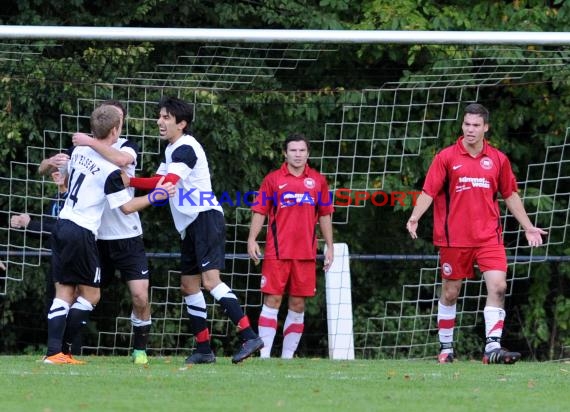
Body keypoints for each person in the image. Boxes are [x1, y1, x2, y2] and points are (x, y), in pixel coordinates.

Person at [124, 96, 264, 365]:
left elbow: (168, 182)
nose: (159, 121)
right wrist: (131, 181)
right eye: (160, 116)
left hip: (205, 218)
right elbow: (158, 182)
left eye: (166, 117)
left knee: (210, 281)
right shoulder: (172, 149)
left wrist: (128, 180)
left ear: (182, 123)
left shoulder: (186, 148)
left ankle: (249, 335)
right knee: (189, 286)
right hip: (190, 223)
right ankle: (203, 349)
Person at [405, 103, 547, 365]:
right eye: (466, 124)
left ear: (485, 128)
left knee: (499, 286)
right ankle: (446, 348)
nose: (470, 130)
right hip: (453, 239)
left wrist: (528, 225)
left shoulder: (498, 159)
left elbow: (510, 195)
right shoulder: (446, 157)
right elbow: (428, 192)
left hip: (489, 237)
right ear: (462, 126)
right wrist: (415, 217)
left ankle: (492, 347)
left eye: (476, 125)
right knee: (450, 292)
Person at [43, 104, 174, 364]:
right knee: (90, 295)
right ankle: (60, 351)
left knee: (65, 293)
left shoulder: (82, 148)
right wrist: (157, 196)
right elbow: (125, 206)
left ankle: (55, 352)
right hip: (83, 232)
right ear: (115, 128)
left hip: (64, 224)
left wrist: (80, 150)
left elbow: (118, 159)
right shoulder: (109, 170)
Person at [69, 100, 153, 365]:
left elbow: (123, 160)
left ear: (119, 125)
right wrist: (52, 164)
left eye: (114, 117)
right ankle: (64, 347)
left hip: (127, 235)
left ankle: (140, 348)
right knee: (80, 294)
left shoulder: (127, 146)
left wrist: (89, 141)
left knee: (140, 295)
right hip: (95, 236)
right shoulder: (85, 148)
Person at [247, 133, 334, 359]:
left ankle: (287, 358)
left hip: (305, 253)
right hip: (277, 252)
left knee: (297, 304)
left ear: (308, 153)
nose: (298, 154)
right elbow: (260, 210)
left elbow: (325, 215)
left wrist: (330, 247)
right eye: (293, 150)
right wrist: (252, 238)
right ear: (285, 154)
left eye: (302, 150)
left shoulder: (318, 181)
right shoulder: (273, 179)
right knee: (273, 300)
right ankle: (264, 356)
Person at [11, 170, 68, 312]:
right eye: (55, 171)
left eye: (64, 170)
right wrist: (23, 225)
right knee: (52, 308)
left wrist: (30, 224)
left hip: (70, 261)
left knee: (66, 309)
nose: (58, 174)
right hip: (54, 259)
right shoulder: (56, 198)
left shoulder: (76, 199)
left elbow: (65, 229)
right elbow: (48, 231)